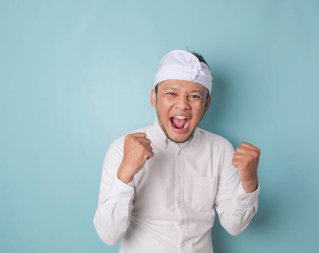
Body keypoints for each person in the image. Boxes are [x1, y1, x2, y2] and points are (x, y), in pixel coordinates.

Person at [93, 50, 261, 253]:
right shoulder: (121, 149)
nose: (182, 105)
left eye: (194, 96)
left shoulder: (220, 149)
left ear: (206, 104)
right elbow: (108, 235)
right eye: (171, 93)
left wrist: (249, 182)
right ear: (154, 98)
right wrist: (126, 173)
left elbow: (234, 225)